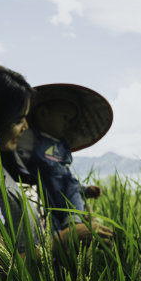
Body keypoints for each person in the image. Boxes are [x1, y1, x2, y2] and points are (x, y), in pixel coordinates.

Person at [0, 66, 112, 269]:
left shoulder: (14, 166)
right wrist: (64, 239)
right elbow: (3, 268)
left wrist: (78, 214)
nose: (26, 127)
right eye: (19, 120)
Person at [17, 85, 112, 230]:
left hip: (62, 197)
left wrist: (85, 189)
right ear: (43, 113)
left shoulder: (62, 146)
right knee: (50, 230)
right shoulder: (30, 138)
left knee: (72, 185)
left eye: (71, 120)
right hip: (42, 196)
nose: (68, 124)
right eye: (65, 117)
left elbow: (66, 177)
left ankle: (74, 219)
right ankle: (72, 223)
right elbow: (17, 164)